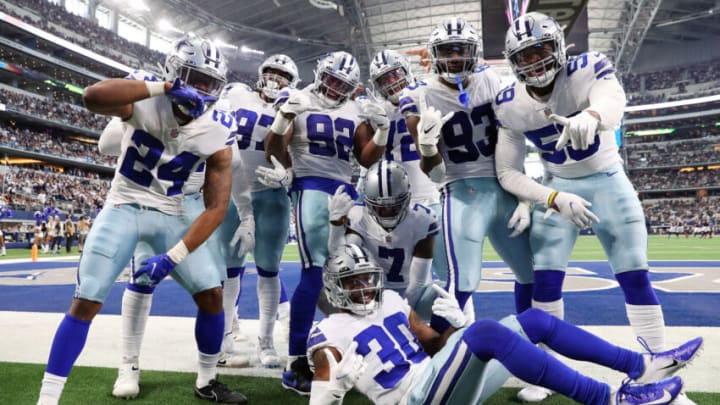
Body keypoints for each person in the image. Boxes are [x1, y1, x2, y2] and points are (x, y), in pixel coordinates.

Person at [36, 36, 248, 405]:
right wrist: (164, 87)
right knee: (87, 298)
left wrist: (173, 257)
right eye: (193, 78)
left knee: (212, 295)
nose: (201, 90)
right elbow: (92, 97)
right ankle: (48, 398)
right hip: (125, 206)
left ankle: (208, 379)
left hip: (177, 211)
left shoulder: (219, 125)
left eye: (209, 83)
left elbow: (216, 207)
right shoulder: (145, 92)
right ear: (172, 71)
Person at [493, 11, 690, 403]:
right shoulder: (509, 103)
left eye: (541, 51)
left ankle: (655, 377)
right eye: (525, 57)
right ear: (514, 64)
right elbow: (506, 172)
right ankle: (545, 375)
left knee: (635, 277)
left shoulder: (586, 67)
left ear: (559, 48)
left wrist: (593, 115)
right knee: (545, 280)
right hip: (557, 188)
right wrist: (551, 197)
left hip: (608, 181)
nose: (535, 63)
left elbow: (613, 99)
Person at [307, 243, 701, 405]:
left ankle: (640, 367)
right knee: (487, 332)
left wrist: (454, 330)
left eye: (366, 279)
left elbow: (434, 348)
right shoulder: (327, 335)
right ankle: (610, 399)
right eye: (352, 283)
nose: (363, 289)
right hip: (413, 401)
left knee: (533, 320)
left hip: (442, 380)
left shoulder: (391, 299)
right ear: (335, 288)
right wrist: (335, 389)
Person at [261, 50, 385, 395]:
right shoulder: (298, 98)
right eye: (330, 79)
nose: (333, 88)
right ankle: (296, 359)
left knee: (354, 269)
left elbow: (366, 157)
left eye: (341, 84)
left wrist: (383, 131)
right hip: (311, 186)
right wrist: (285, 116)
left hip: (347, 189)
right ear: (319, 74)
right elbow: (273, 147)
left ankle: (353, 342)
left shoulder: (354, 109)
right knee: (314, 272)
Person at [400, 17, 534, 332]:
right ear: (435, 56)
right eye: (447, 51)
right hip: (460, 191)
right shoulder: (420, 97)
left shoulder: (493, 81)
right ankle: (437, 357)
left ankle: (533, 344)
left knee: (532, 273)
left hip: (504, 188)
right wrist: (429, 145)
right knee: (462, 281)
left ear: (473, 52)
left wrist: (525, 197)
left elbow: (514, 142)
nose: (455, 58)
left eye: (461, 50)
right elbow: (434, 174)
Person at [217, 54, 301, 368]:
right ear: (261, 74)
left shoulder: (295, 109)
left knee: (269, 270)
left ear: (292, 84)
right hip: (231, 195)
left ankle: (266, 342)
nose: (276, 80)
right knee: (228, 270)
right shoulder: (237, 95)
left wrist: (289, 175)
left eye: (284, 77)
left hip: (271, 196)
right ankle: (224, 337)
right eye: (272, 73)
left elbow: (300, 158)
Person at [327, 160, 439, 319]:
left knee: (444, 295)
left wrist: (398, 312)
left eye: (394, 206)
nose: (387, 212)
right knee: (330, 286)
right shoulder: (359, 216)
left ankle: (454, 336)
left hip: (413, 293)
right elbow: (343, 258)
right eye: (380, 207)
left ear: (407, 198)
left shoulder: (422, 219)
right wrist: (336, 226)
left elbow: (418, 282)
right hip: (372, 293)